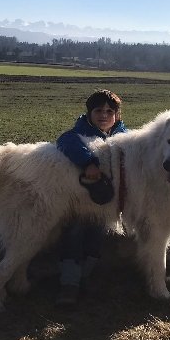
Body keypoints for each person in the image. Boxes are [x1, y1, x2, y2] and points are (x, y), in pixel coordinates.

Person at [54, 89, 128, 305]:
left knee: (97, 239)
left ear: (118, 115)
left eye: (109, 111)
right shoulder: (77, 135)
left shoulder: (125, 138)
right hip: (78, 202)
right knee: (74, 236)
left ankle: (83, 279)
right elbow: (65, 142)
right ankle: (69, 284)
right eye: (98, 110)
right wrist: (89, 162)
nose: (104, 115)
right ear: (89, 114)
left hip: (106, 206)